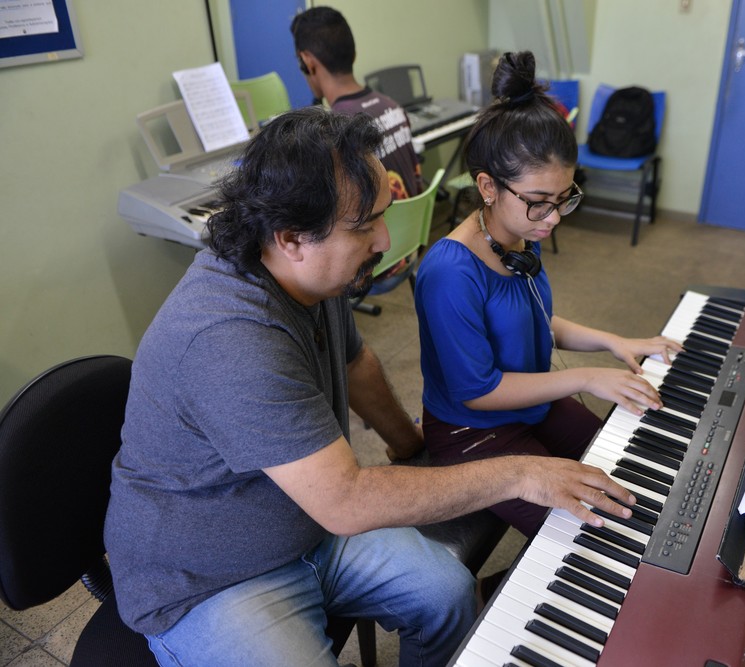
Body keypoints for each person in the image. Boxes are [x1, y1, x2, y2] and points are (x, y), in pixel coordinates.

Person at [103, 107, 637, 667]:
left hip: (305, 528)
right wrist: (521, 474)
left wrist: (409, 445)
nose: (384, 237)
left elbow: (357, 364)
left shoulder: (312, 276)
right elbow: (346, 501)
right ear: (291, 238)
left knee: (449, 596)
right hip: (211, 579)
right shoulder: (227, 337)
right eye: (364, 226)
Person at [414, 52, 683, 539]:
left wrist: (615, 342)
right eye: (540, 204)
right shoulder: (449, 273)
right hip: (472, 430)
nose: (554, 219)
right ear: (488, 187)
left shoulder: (516, 236)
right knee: (591, 532)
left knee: (627, 474)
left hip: (531, 405)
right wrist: (585, 378)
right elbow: (479, 392)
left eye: (564, 200)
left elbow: (533, 319)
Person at [291, 6, 422, 200]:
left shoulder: (333, 132)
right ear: (354, 55)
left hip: (380, 229)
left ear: (307, 62)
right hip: (414, 228)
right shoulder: (392, 106)